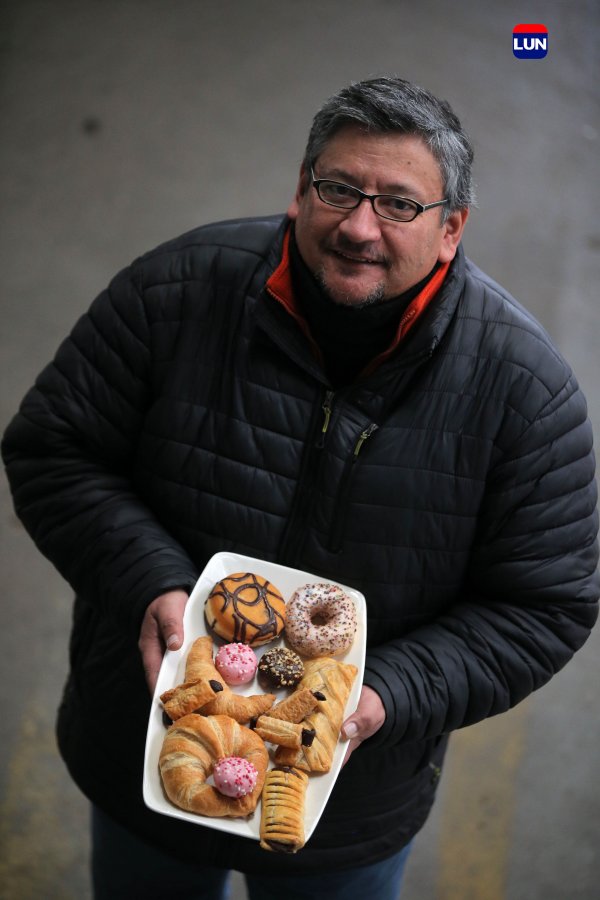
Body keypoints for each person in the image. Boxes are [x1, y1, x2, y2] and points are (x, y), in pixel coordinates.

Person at [2, 75, 598, 900]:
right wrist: (148, 582)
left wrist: (391, 693)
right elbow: (52, 448)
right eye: (337, 188)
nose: (358, 226)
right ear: (299, 190)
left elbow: (546, 604)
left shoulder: (526, 395)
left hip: (350, 800)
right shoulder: (176, 292)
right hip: (146, 740)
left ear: (452, 228)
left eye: (398, 204)